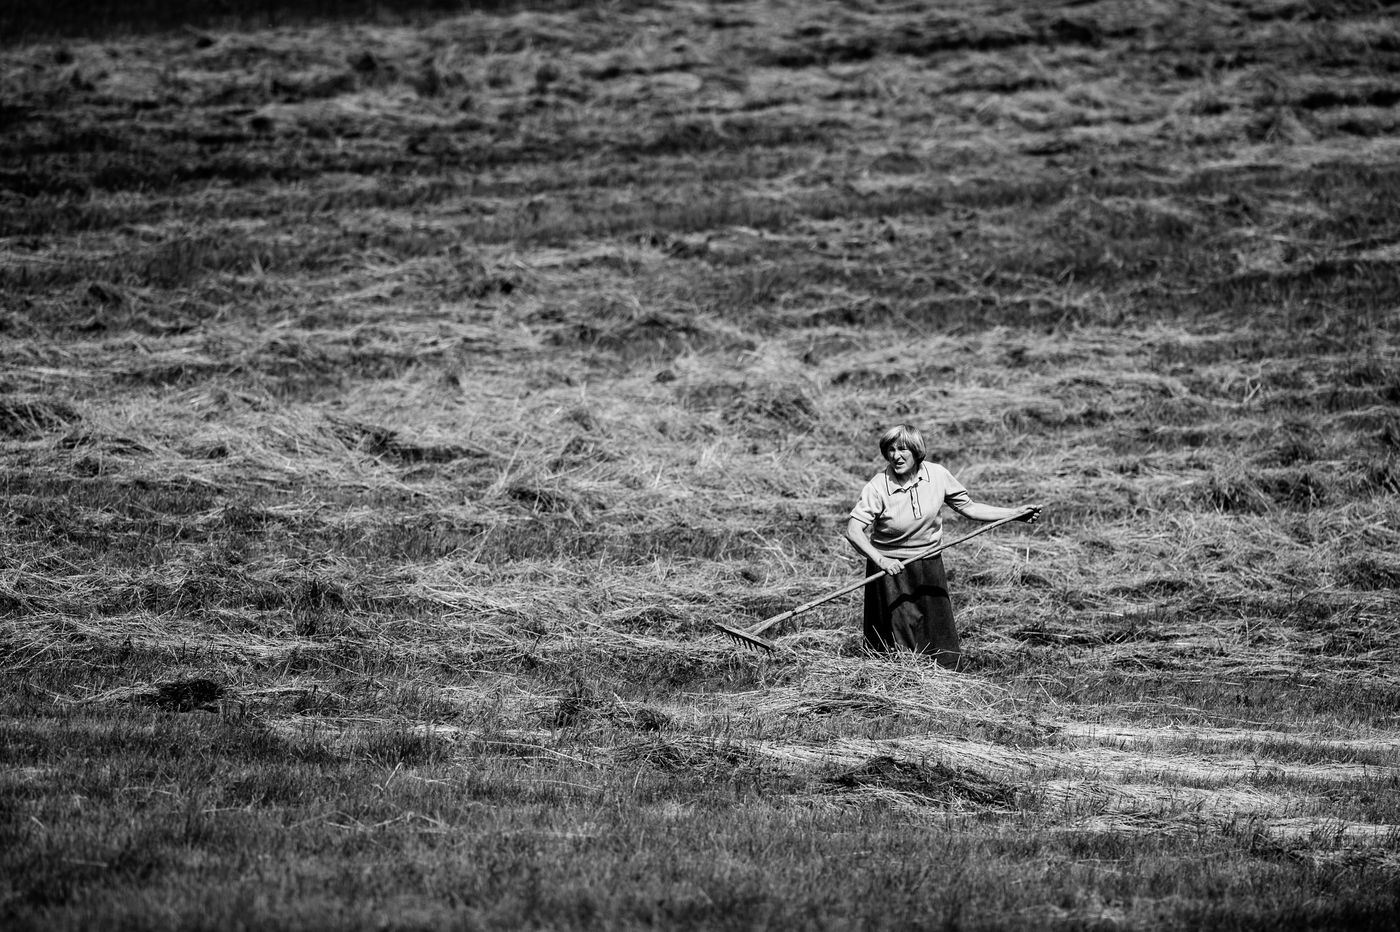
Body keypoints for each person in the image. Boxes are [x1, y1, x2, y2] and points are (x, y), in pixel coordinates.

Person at [845, 424, 1040, 668]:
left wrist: (1013, 513)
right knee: (899, 632)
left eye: (903, 449)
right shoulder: (878, 487)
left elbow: (969, 508)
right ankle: (900, 679)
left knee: (935, 625)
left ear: (917, 452)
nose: (896, 456)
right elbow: (853, 530)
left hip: (929, 562)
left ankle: (943, 676)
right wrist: (881, 561)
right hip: (892, 569)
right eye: (891, 450)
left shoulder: (937, 475)